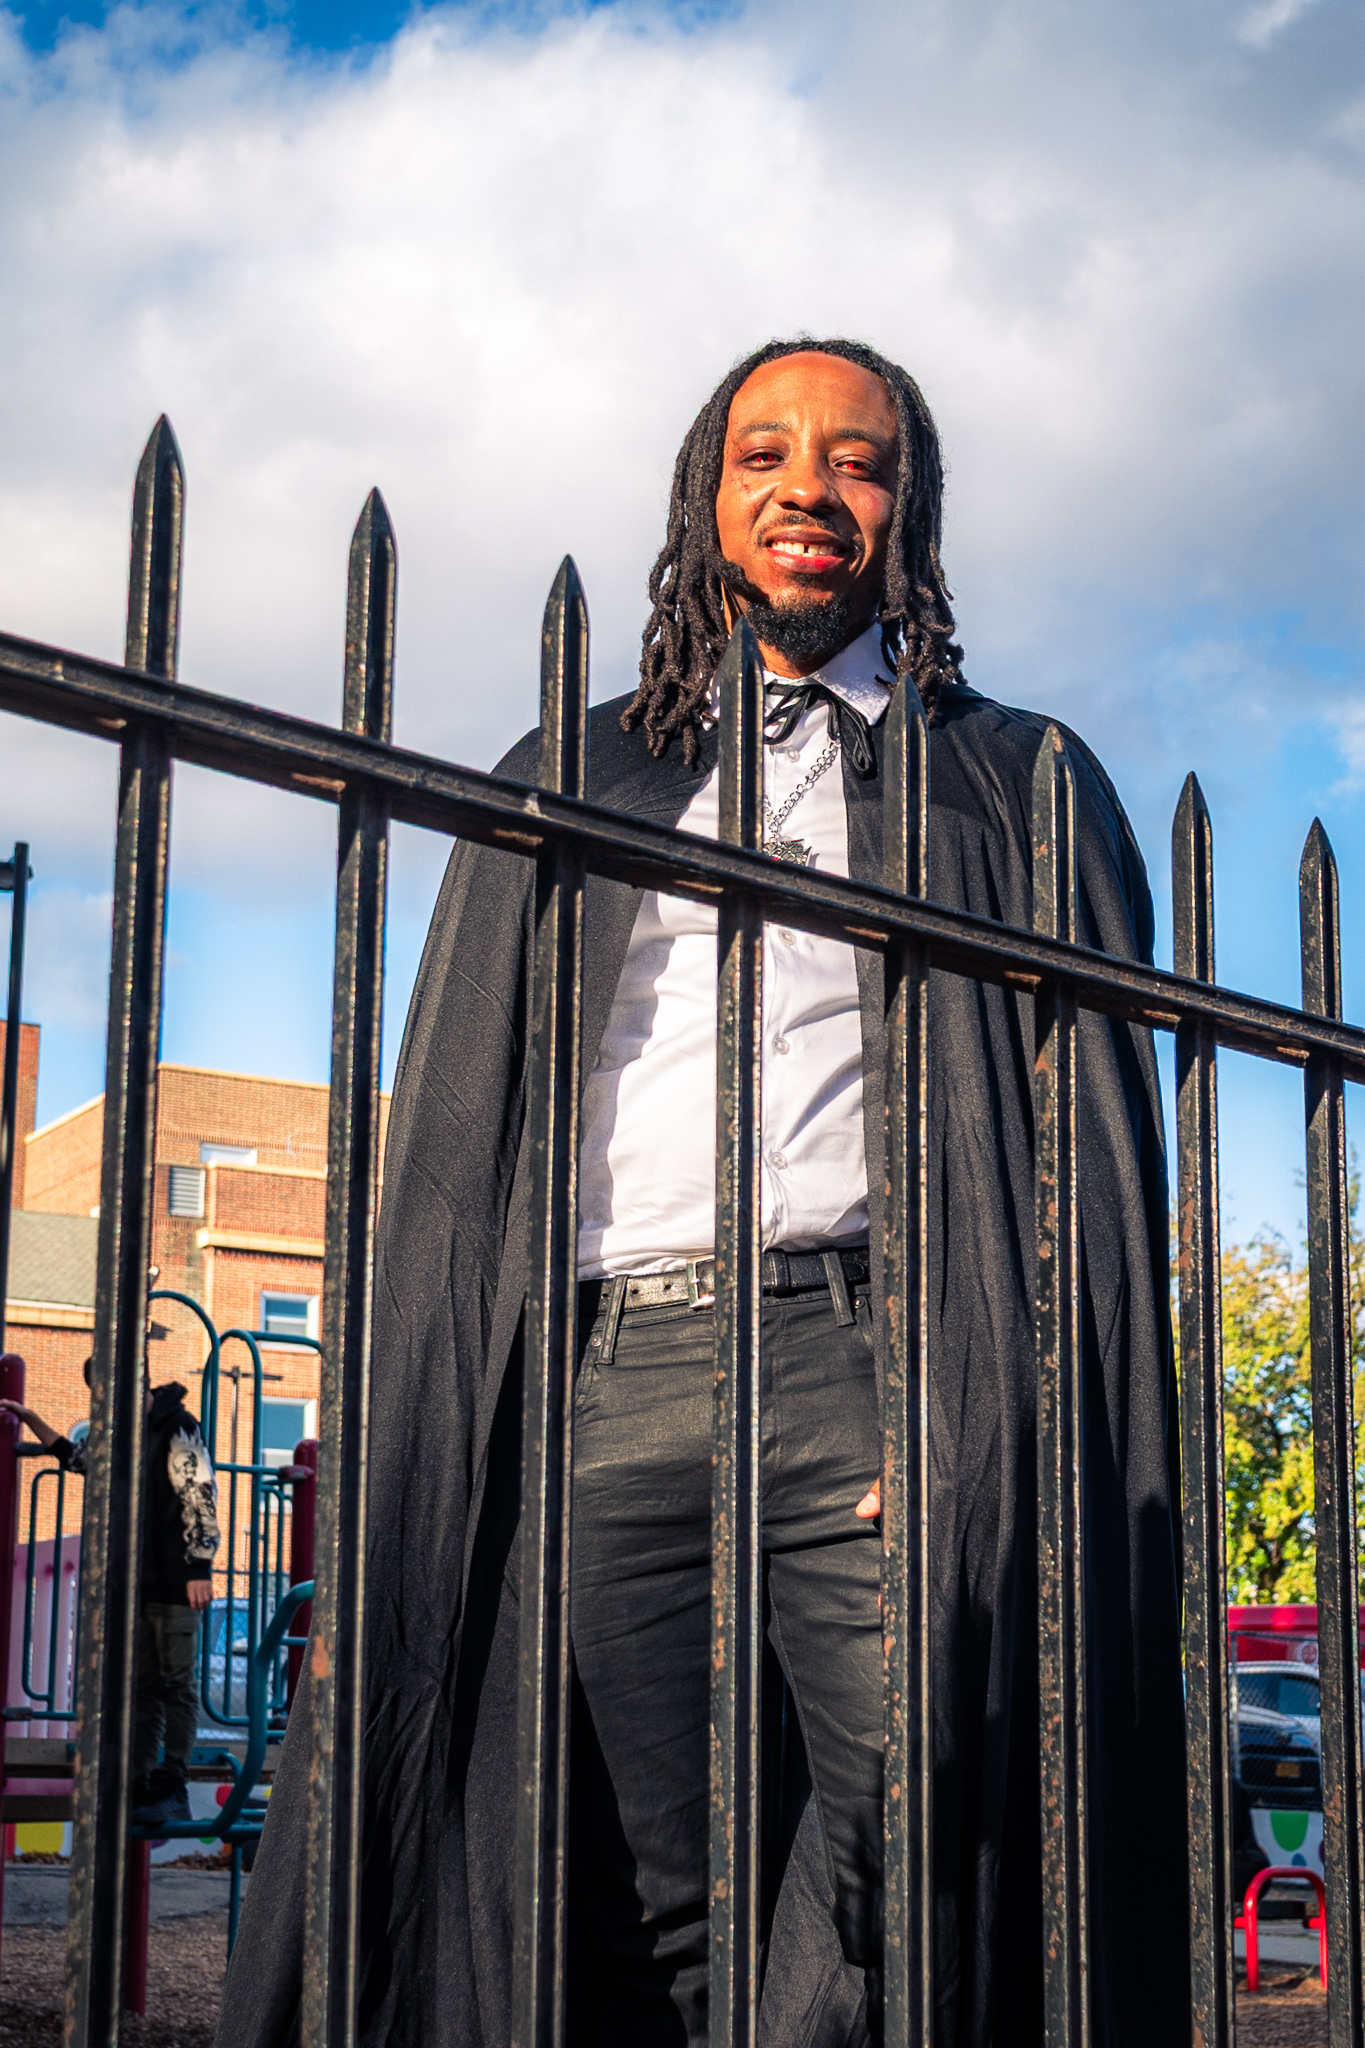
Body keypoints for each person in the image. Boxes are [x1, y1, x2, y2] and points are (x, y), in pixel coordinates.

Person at [219, 338, 1190, 2047]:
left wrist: (987, 1403)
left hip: (868, 1363)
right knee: (637, 1886)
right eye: (766, 453)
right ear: (707, 497)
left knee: (929, 1832)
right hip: (610, 1380)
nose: (811, 486)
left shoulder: (1010, 779)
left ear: (908, 510)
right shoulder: (576, 766)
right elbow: (460, 1146)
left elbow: (1083, 1156)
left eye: (857, 459)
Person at [2, 1359, 220, 1830]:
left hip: (177, 1580)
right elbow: (77, 1458)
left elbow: (198, 1493)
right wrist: (32, 1419)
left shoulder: (177, 1425)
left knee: (177, 1683)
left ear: (141, 1382)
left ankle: (173, 1783)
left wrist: (199, 1566)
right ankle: (139, 1783)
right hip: (136, 1584)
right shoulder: (119, 1437)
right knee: (143, 1688)